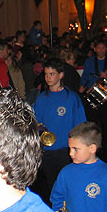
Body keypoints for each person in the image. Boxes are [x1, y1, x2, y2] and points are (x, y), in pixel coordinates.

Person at [33, 58, 87, 193]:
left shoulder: (72, 98)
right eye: (46, 74)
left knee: (69, 187)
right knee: (53, 187)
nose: (48, 78)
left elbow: (81, 125)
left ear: (60, 75)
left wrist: (78, 149)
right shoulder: (42, 98)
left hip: (66, 151)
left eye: (52, 74)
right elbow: (35, 122)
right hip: (47, 151)